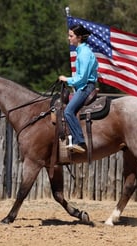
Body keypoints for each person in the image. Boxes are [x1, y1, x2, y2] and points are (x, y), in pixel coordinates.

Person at [59, 24, 98, 153]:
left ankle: (79, 141)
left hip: (86, 87)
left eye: (71, 36)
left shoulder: (84, 53)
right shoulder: (81, 51)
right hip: (82, 86)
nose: (69, 38)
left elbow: (82, 77)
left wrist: (67, 79)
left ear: (79, 37)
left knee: (68, 111)